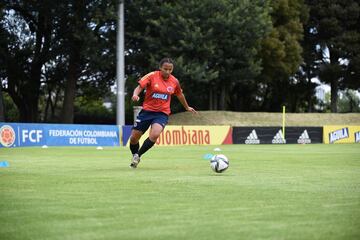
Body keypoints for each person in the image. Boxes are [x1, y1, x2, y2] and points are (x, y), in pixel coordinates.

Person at [129, 57, 197, 168]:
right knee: (133, 138)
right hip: (147, 111)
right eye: (165, 69)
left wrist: (187, 107)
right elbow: (139, 87)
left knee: (155, 134)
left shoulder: (174, 81)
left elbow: (179, 95)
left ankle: (138, 156)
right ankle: (134, 155)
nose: (168, 72)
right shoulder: (152, 76)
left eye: (170, 70)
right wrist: (135, 95)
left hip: (162, 113)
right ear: (160, 67)